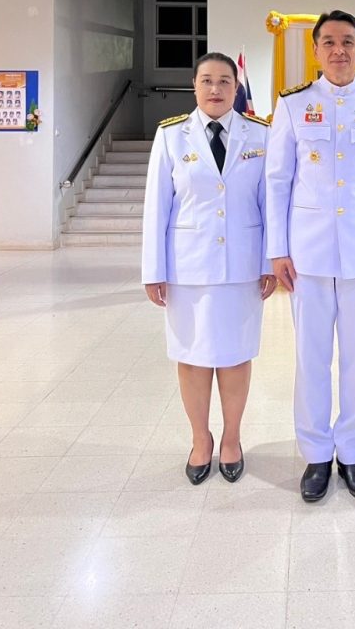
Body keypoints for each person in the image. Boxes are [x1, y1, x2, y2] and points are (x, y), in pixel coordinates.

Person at [266, 10, 355, 502]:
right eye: (328, 41)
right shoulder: (292, 105)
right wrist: (277, 249)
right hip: (306, 254)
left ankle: (352, 453)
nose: (338, 50)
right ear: (315, 50)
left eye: (348, 41)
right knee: (310, 358)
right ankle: (314, 454)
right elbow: (277, 181)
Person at [142, 51, 276, 485]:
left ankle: (232, 439)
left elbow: (270, 205)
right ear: (194, 86)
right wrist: (153, 269)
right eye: (207, 81)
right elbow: (156, 206)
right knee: (192, 356)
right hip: (188, 268)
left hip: (242, 266)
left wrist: (269, 261)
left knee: (236, 356)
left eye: (224, 81)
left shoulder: (260, 134)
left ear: (236, 88)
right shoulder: (171, 136)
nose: (215, 89)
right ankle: (201, 440)